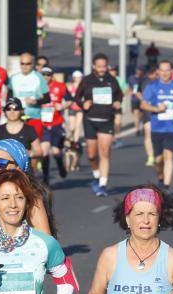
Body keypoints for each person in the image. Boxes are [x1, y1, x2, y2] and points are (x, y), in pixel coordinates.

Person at [76, 53, 124, 197]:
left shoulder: (112, 80)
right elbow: (77, 97)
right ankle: (96, 175)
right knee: (91, 155)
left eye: (104, 66)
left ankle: (103, 183)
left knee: (104, 152)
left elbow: (119, 95)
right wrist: (83, 103)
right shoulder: (87, 80)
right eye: (99, 66)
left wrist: (118, 102)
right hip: (90, 119)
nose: (102, 69)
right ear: (94, 66)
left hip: (106, 120)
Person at [141, 59, 173, 191]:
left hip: (172, 127)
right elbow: (143, 104)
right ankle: (161, 179)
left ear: (171, 71)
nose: (165, 73)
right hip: (157, 127)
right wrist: (156, 109)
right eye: (162, 70)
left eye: (167, 70)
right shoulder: (152, 87)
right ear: (158, 72)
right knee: (158, 160)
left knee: (169, 155)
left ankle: (166, 186)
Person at [39, 66, 70, 182]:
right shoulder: (37, 87)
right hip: (43, 124)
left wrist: (62, 106)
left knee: (56, 151)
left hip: (56, 123)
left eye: (48, 75)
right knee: (44, 151)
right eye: (43, 75)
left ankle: (61, 166)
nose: (46, 77)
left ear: (52, 75)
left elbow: (70, 100)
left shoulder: (60, 86)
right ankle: (45, 177)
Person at [0, 97, 42, 161]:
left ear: (21, 111)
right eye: (8, 109)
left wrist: (29, 153)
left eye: (15, 109)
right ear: (4, 111)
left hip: (23, 168)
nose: (12, 111)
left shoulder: (29, 129)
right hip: (4, 168)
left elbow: (39, 152)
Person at [8, 53, 49, 123]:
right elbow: (9, 97)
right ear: (19, 64)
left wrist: (35, 102)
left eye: (28, 63)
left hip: (34, 116)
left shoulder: (39, 77)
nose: (25, 66)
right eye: (22, 63)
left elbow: (47, 99)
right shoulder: (13, 78)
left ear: (32, 64)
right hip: (18, 118)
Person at [140, 66, 158, 167]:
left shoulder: (161, 82)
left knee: (159, 135)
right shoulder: (145, 82)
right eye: (151, 73)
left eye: (154, 73)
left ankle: (159, 154)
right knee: (148, 134)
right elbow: (138, 93)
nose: (153, 75)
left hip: (161, 112)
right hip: (148, 111)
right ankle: (151, 157)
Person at [67, 70, 85, 145]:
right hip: (72, 108)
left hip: (80, 108)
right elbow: (66, 97)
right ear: (73, 78)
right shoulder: (70, 86)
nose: (78, 79)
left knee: (78, 126)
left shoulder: (83, 86)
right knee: (72, 127)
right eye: (76, 77)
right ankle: (71, 137)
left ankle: (75, 141)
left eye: (79, 77)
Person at [127, 66, 145, 137]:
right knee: (135, 113)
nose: (139, 72)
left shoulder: (144, 79)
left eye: (140, 71)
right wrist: (129, 92)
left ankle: (141, 125)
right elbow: (129, 87)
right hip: (134, 99)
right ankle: (137, 129)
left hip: (142, 99)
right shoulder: (131, 78)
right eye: (138, 71)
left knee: (141, 114)